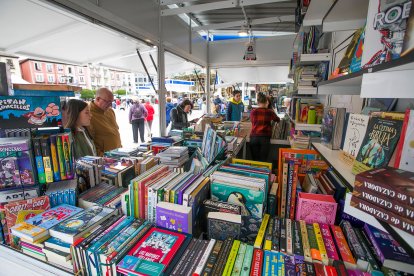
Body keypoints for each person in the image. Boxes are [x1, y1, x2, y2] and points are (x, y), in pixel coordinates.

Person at [87, 88, 122, 156]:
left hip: (118, 154)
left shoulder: (110, 111)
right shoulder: (89, 114)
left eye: (111, 102)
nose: (110, 105)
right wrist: (102, 156)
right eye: (108, 102)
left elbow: (115, 131)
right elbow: (89, 142)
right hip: (105, 159)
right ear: (97, 99)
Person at [249, 92, 280, 162]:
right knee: (263, 160)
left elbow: (252, 121)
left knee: (255, 160)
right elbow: (278, 120)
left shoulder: (253, 112)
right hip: (265, 138)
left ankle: (254, 172)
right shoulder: (270, 112)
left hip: (254, 137)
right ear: (267, 102)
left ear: (258, 103)